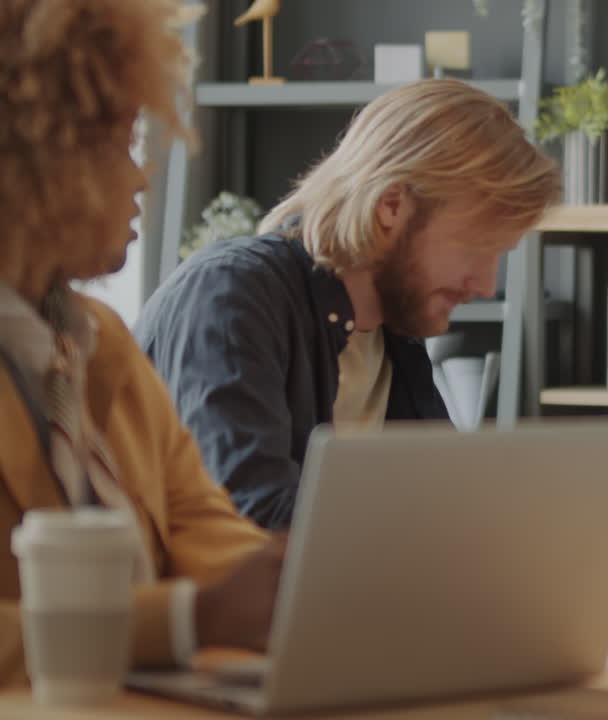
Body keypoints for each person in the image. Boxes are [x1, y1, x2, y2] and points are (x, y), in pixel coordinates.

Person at [0, 0, 283, 683]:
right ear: (30, 158)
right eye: (119, 145)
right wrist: (189, 621)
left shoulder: (103, 344)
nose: (141, 178)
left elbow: (208, 536)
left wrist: (313, 589)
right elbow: (208, 608)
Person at [134, 80, 561, 529]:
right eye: (475, 247)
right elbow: (249, 525)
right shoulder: (230, 295)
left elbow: (444, 510)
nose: (486, 283)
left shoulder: (394, 330)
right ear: (391, 206)